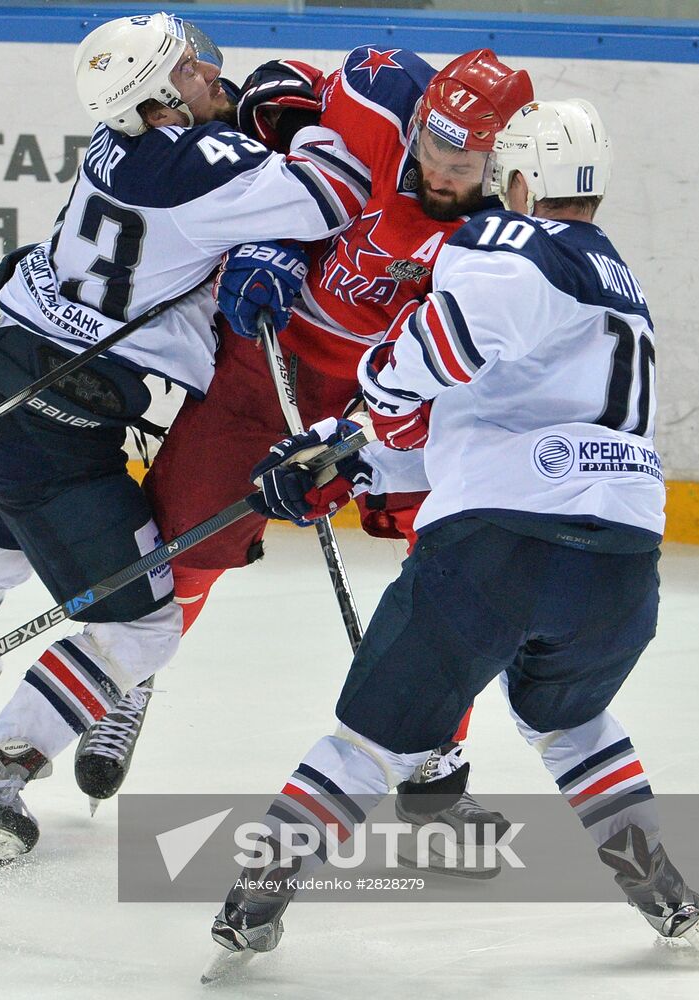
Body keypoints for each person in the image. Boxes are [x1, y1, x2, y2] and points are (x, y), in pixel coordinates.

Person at [205, 98, 699, 974]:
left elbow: (448, 348)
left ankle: (257, 899)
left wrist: (370, 395)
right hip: (624, 563)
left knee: (371, 743)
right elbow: (494, 419)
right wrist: (356, 461)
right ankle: (657, 884)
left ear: (522, 182)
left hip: (498, 549)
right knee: (572, 723)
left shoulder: (513, 241)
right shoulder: (620, 284)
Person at [0, 12, 363, 862]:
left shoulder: (116, 140)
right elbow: (333, 194)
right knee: (143, 628)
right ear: (162, 102)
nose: (211, 72)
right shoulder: (202, 165)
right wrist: (310, 122)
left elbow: (213, 185)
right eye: (191, 69)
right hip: (51, 421)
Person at [78, 45, 535, 856]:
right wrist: (275, 237)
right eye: (430, 146)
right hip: (272, 351)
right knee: (187, 535)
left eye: (461, 164)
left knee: (454, 569)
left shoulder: (513, 237)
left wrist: (374, 432)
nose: (436, 169)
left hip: (398, 399)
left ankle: (430, 750)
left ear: (501, 163)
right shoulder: (379, 91)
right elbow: (270, 100)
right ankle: (126, 679)